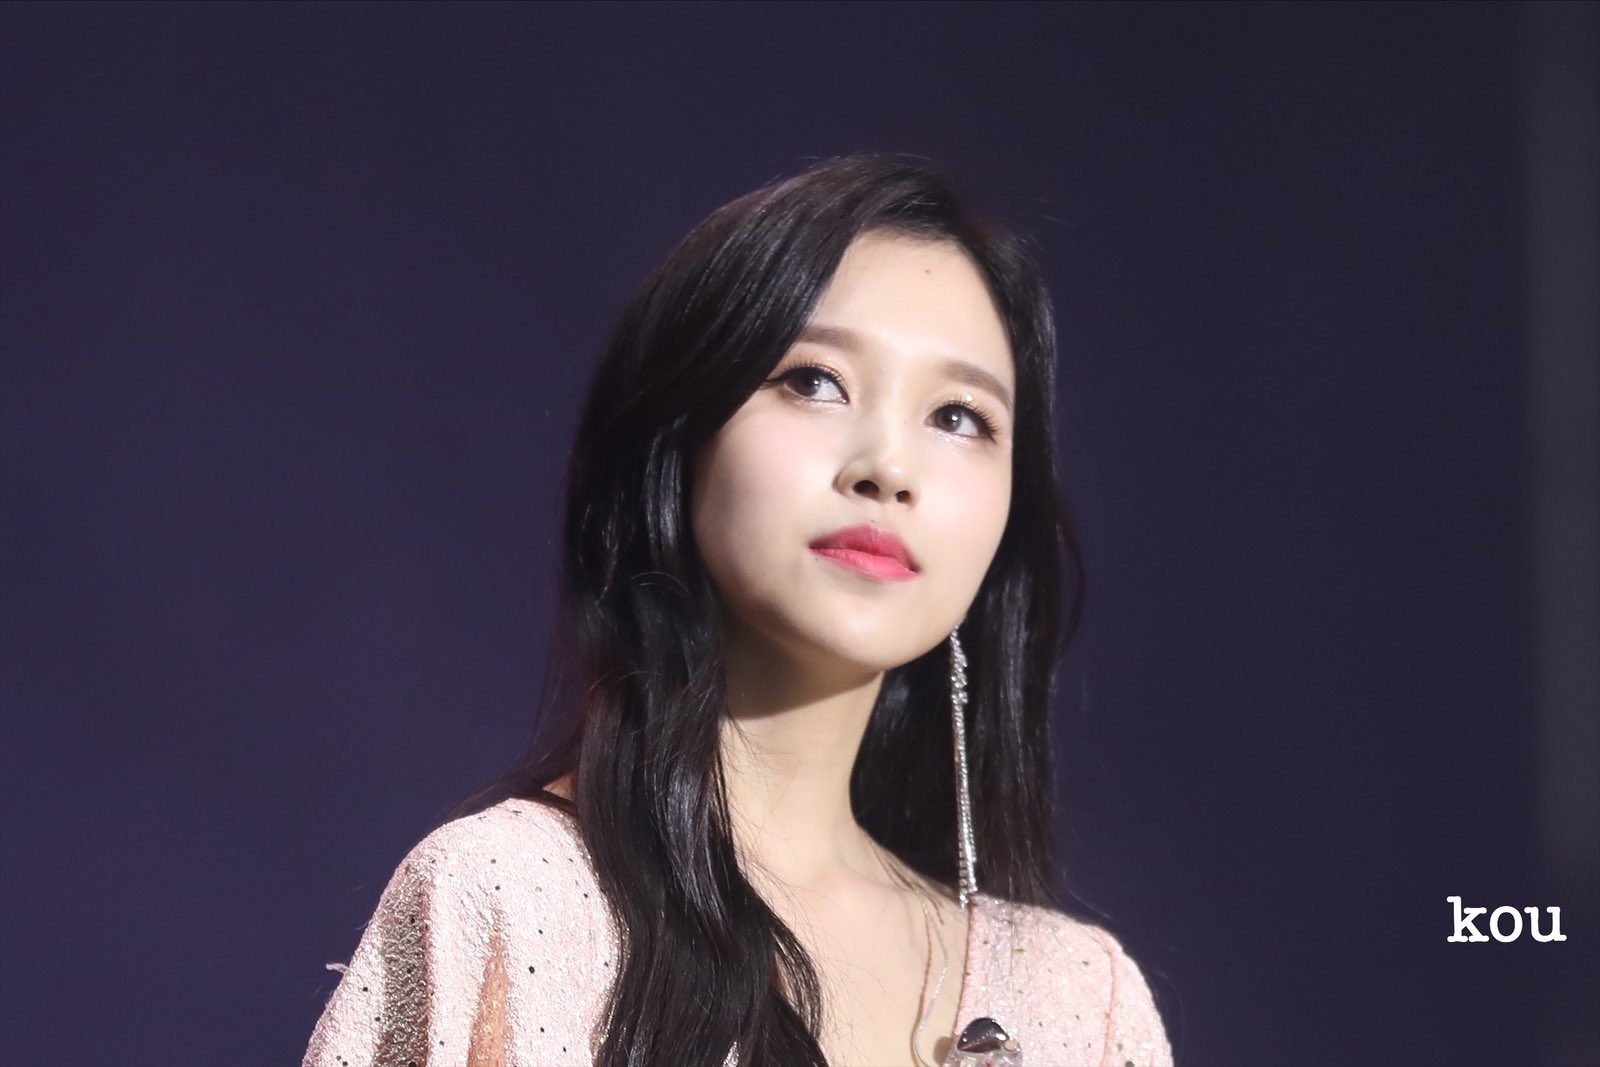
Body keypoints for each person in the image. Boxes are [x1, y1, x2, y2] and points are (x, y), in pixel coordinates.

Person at [303, 155, 1173, 1067]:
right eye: (815, 380)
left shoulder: (1083, 1004)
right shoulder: (507, 901)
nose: (888, 467)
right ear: (678, 447)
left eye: (959, 417)